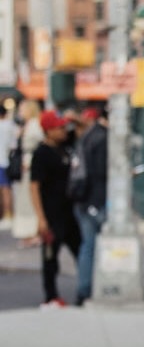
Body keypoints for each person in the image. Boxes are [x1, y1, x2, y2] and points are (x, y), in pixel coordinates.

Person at [29, 110, 81, 308]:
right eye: (59, 128)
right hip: (51, 214)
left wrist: (74, 118)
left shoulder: (65, 147)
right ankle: (50, 296)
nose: (64, 130)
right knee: (50, 257)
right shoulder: (41, 153)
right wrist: (41, 218)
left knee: (81, 251)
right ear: (49, 130)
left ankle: (86, 288)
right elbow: (34, 186)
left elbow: (83, 129)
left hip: (70, 212)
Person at [72, 107, 108, 305]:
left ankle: (84, 289)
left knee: (87, 245)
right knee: (94, 246)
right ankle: (88, 288)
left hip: (83, 198)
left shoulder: (85, 137)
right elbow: (101, 171)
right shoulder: (102, 137)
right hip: (96, 199)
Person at [11, 100, 42, 245]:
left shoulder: (35, 125)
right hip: (25, 168)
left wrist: (30, 161)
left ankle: (34, 232)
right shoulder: (26, 125)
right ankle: (27, 232)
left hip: (30, 168)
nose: (20, 113)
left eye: (22, 109)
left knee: (30, 200)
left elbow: (40, 144)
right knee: (24, 201)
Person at [0, 104, 17, 229]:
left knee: (4, 190)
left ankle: (7, 215)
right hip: (6, 160)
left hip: (2, 161)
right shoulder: (11, 125)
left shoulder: (4, 126)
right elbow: (13, 145)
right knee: (6, 190)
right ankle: (8, 215)